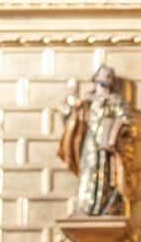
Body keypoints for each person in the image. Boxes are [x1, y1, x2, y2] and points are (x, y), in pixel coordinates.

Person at [57, 64, 135, 216]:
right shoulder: (88, 101)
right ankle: (85, 206)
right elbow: (70, 116)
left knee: (107, 175)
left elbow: (127, 120)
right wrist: (70, 103)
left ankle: (107, 207)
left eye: (109, 76)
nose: (106, 79)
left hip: (108, 145)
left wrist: (115, 131)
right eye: (104, 75)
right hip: (89, 142)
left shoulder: (115, 100)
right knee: (88, 171)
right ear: (96, 78)